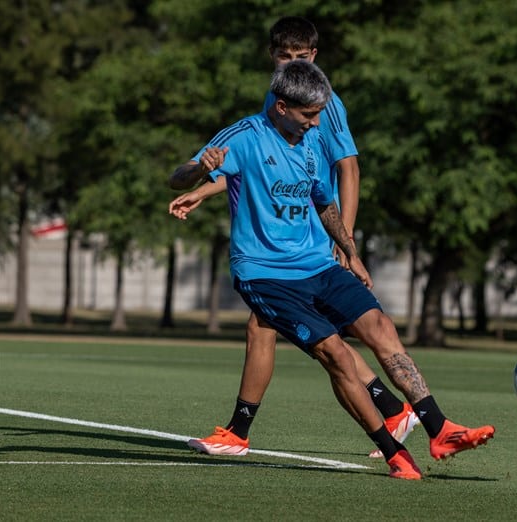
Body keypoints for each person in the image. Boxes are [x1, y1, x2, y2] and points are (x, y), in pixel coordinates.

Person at [170, 60, 494, 479]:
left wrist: (350, 250)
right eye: (309, 114)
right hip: (264, 275)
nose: (317, 121)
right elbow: (177, 178)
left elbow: (324, 202)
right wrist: (199, 169)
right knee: (336, 354)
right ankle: (396, 454)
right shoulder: (245, 137)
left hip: (318, 264)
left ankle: (439, 427)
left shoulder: (309, 141)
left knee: (380, 325)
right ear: (282, 107)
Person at [169, 16, 417, 459]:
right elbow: (259, 166)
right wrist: (204, 188)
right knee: (272, 330)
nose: (292, 64)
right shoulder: (277, 100)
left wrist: (347, 243)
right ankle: (390, 410)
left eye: (301, 57)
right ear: (272, 58)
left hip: (306, 240)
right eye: (285, 56)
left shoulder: (326, 101)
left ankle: (241, 433)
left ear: (314, 57)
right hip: (285, 241)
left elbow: (349, 168)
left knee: (314, 341)